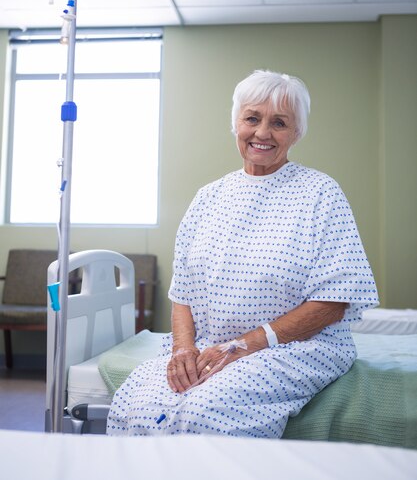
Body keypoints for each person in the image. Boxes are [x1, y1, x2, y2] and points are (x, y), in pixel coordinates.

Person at [107, 69, 379, 438]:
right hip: (208, 345)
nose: (263, 133)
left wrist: (243, 346)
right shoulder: (208, 198)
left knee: (205, 414)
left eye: (279, 123)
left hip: (295, 349)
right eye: (252, 118)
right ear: (235, 124)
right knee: (140, 410)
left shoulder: (320, 194)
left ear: (296, 132)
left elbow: (334, 302)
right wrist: (183, 351)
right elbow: (183, 293)